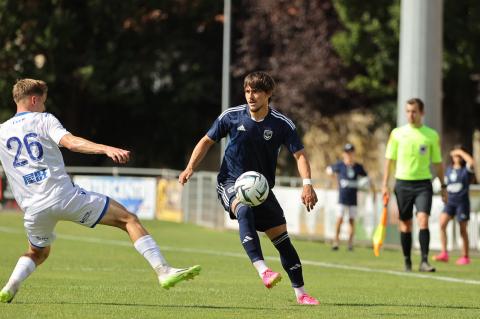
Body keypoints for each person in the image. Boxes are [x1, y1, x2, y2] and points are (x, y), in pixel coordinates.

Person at [0, 79, 200, 303]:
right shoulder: (44, 120)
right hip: (64, 197)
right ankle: (163, 271)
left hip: (32, 209)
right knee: (128, 219)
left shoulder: (2, 132)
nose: (45, 107)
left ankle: (10, 285)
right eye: (43, 102)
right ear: (34, 99)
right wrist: (105, 148)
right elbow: (71, 142)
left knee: (37, 252)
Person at [179, 71, 319, 305]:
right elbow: (206, 141)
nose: (250, 96)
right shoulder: (231, 117)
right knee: (243, 208)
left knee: (283, 241)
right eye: (247, 91)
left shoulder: (281, 124)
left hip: (262, 190)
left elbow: (300, 155)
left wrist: (307, 184)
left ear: (268, 94)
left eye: (256, 91)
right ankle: (263, 270)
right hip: (231, 182)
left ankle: (301, 294)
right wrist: (189, 167)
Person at [382, 97, 447, 272]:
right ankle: (407, 261)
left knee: (423, 219)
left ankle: (424, 261)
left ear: (422, 113)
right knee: (406, 224)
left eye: (414, 111)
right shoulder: (397, 133)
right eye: (408, 111)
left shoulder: (431, 135)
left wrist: (443, 186)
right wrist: (385, 185)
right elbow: (389, 160)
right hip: (402, 183)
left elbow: (438, 163)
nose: (410, 115)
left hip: (423, 184)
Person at [326, 143, 374, 251]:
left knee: (352, 220)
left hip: (353, 197)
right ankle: (336, 241)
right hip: (342, 197)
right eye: (347, 153)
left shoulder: (358, 167)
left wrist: (365, 185)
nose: (349, 155)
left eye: (351, 152)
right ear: (344, 154)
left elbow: (367, 178)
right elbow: (329, 170)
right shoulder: (340, 165)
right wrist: (335, 178)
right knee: (340, 219)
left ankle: (350, 243)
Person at [433, 146, 475, 265]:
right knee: (442, 224)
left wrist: (461, 152)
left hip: (462, 203)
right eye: (455, 155)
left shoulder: (465, 170)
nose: (457, 157)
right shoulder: (449, 170)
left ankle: (465, 256)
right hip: (450, 202)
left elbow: (472, 162)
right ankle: (444, 253)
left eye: (459, 156)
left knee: (462, 230)